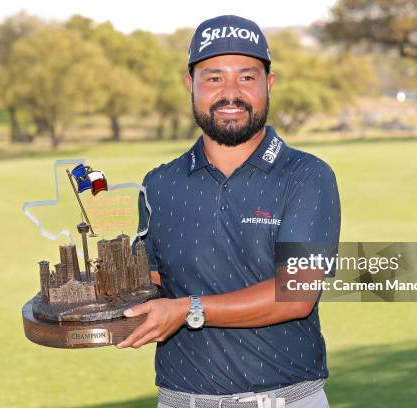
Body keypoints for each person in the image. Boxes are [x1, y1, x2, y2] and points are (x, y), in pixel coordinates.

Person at [117, 15, 341, 408]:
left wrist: (188, 309)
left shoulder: (307, 175)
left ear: (268, 85)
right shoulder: (158, 184)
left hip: (284, 400)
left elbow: (295, 295)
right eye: (215, 78)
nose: (231, 93)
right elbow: (151, 282)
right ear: (192, 85)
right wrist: (95, 296)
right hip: (180, 400)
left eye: (247, 77)